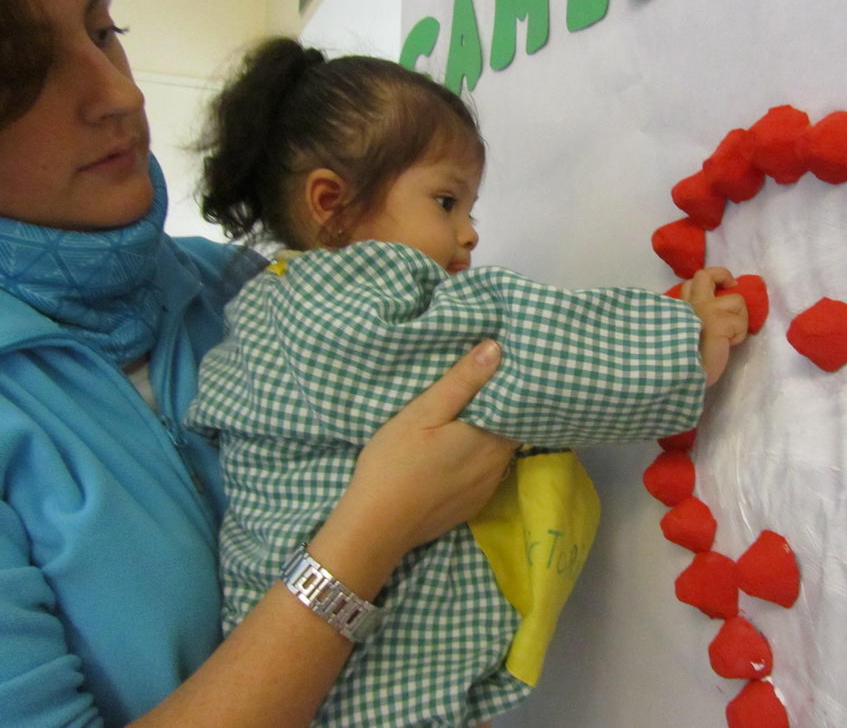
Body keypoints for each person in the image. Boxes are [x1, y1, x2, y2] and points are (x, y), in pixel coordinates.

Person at [0, 0, 518, 726]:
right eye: (25, 71)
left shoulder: (249, 290)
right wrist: (370, 534)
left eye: (105, 30)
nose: (115, 94)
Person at [186, 37, 749, 726]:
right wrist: (680, 344)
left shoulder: (263, 311)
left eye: (470, 209)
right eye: (446, 201)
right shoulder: (353, 305)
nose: (470, 233)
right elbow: (511, 348)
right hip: (363, 678)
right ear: (331, 204)